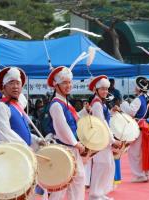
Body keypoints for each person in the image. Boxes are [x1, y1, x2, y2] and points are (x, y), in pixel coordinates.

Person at [46, 66, 86, 200]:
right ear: (56, 86)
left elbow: (73, 121)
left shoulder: (65, 102)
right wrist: (75, 143)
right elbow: (62, 127)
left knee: (77, 179)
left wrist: (86, 112)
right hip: (64, 147)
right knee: (61, 183)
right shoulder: (57, 104)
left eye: (69, 82)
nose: (68, 85)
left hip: (70, 146)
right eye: (64, 82)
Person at [0, 67, 44, 148]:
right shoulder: (1, 107)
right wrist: (26, 148)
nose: (15, 86)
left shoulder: (17, 106)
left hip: (23, 153)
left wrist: (37, 140)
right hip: (12, 155)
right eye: (11, 83)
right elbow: (5, 135)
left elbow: (23, 133)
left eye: (18, 83)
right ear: (3, 87)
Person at [88, 75, 121, 200]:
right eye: (102, 89)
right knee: (101, 165)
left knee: (106, 165)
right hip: (100, 139)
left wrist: (112, 112)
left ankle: (99, 192)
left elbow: (105, 119)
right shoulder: (97, 104)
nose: (105, 91)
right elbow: (102, 123)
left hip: (103, 138)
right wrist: (113, 140)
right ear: (96, 90)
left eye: (106, 89)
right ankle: (95, 193)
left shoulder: (100, 102)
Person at [121, 76, 149, 182]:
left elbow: (131, 112)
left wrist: (124, 104)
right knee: (144, 150)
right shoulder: (147, 98)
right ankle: (146, 173)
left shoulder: (138, 99)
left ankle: (139, 175)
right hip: (145, 126)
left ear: (138, 88)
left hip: (138, 126)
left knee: (134, 152)